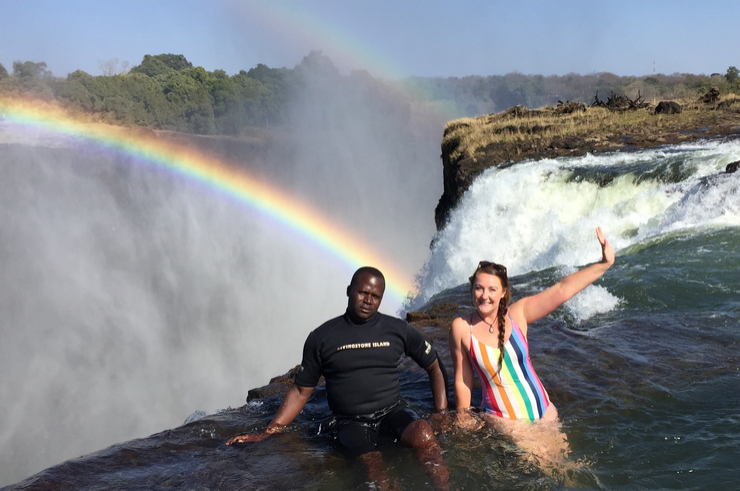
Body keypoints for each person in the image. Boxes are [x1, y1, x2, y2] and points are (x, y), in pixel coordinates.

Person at [227, 266, 449, 489]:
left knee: (424, 434)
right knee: (374, 466)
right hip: (351, 422)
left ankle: (443, 487)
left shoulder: (399, 330)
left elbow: (434, 366)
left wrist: (441, 413)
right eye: (362, 293)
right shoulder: (322, 337)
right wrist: (269, 431)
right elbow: (301, 390)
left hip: (392, 412)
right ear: (349, 290)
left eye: (375, 296)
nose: (368, 300)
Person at [448, 227, 615, 465]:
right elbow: (462, 380)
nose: (484, 295)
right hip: (507, 421)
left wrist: (604, 264)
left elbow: (562, 290)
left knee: (571, 471)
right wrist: (463, 419)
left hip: (545, 411)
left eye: (492, 289)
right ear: (471, 290)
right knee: (547, 469)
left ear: (504, 292)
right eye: (479, 288)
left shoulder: (518, 314)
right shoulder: (463, 327)